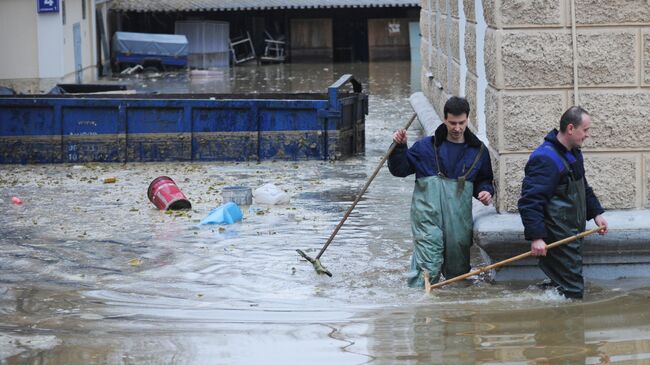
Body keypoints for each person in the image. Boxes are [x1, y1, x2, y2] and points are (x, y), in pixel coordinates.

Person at [388, 96, 494, 288]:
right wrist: (399, 148)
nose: (457, 128)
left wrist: (486, 192)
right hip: (427, 216)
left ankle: (453, 313)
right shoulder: (424, 148)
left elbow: (484, 180)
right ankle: (422, 308)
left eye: (461, 123)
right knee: (428, 265)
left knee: (458, 273)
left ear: (467, 119)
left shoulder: (478, 151)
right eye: (452, 123)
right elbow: (399, 170)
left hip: (459, 222)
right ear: (444, 119)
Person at [518, 106, 608, 299]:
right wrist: (536, 237)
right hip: (557, 238)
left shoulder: (573, 153)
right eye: (585, 130)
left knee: (564, 289)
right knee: (573, 291)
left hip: (571, 234)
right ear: (570, 128)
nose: (587, 135)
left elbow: (582, 186)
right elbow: (530, 201)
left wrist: (596, 214)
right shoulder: (545, 159)